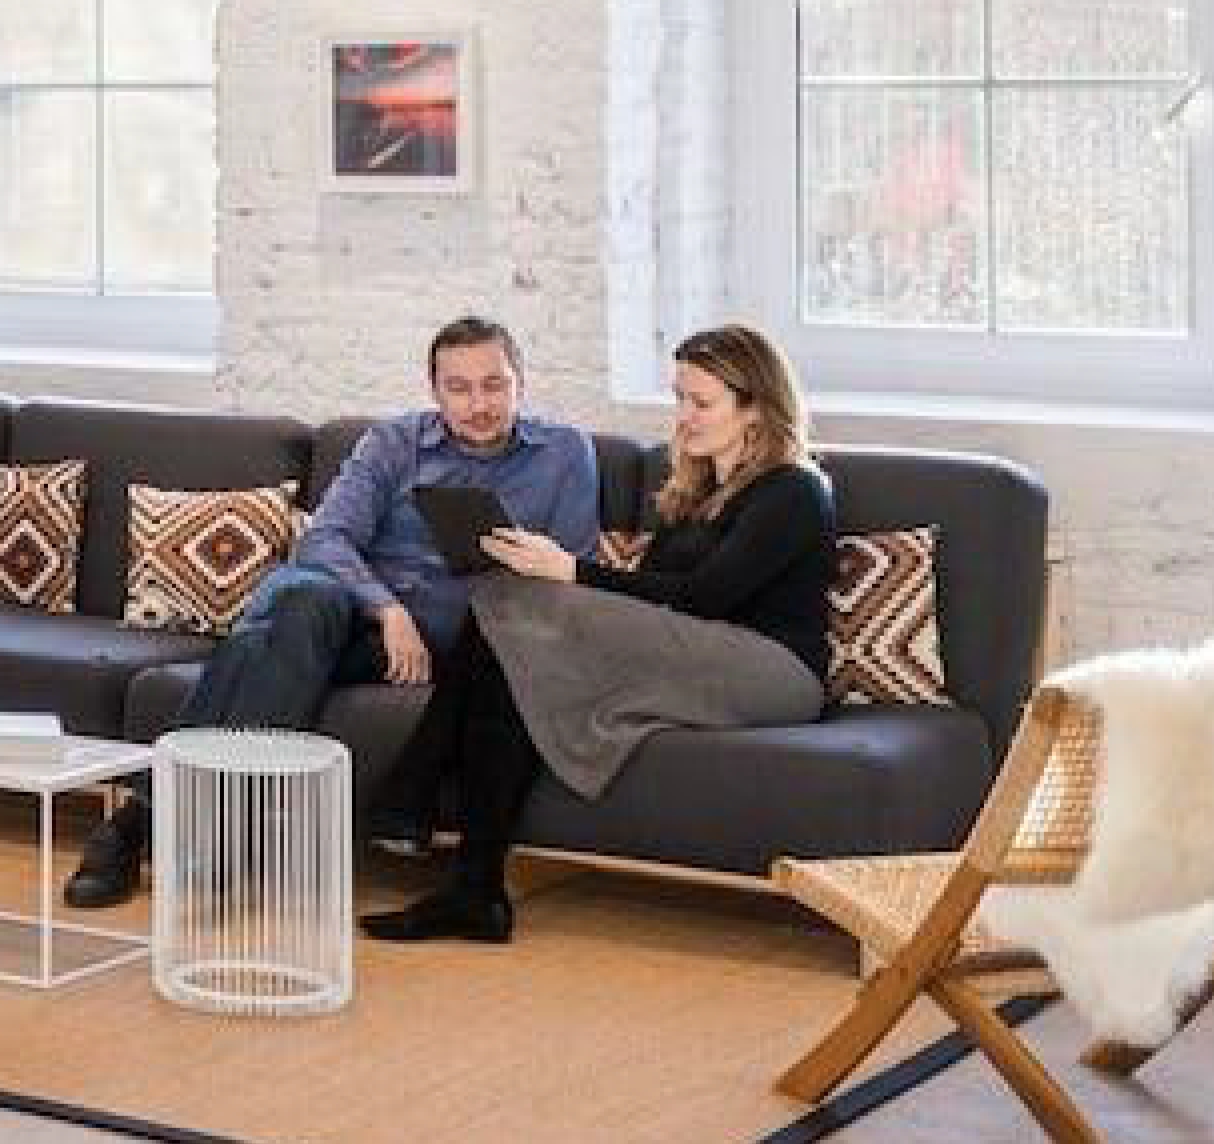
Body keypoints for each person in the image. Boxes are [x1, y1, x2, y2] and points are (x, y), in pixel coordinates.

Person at [64, 316, 599, 909]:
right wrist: (388, 609)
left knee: (258, 648)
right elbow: (326, 538)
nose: (478, 405)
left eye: (494, 385)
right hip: (351, 614)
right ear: (434, 391)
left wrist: (528, 563)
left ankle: (133, 824)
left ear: (521, 381)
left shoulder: (564, 454)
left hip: (456, 639)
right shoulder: (395, 443)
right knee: (299, 605)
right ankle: (219, 835)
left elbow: (573, 576)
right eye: (459, 388)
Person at [362, 323, 836, 944]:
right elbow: (649, 592)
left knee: (511, 599)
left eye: (701, 402)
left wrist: (568, 571)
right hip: (693, 656)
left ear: (755, 408)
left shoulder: (795, 489)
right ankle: (475, 890)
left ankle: (412, 792)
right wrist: (559, 585)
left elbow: (705, 597)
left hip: (772, 673)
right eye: (679, 398)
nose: (683, 416)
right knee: (513, 646)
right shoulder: (697, 492)